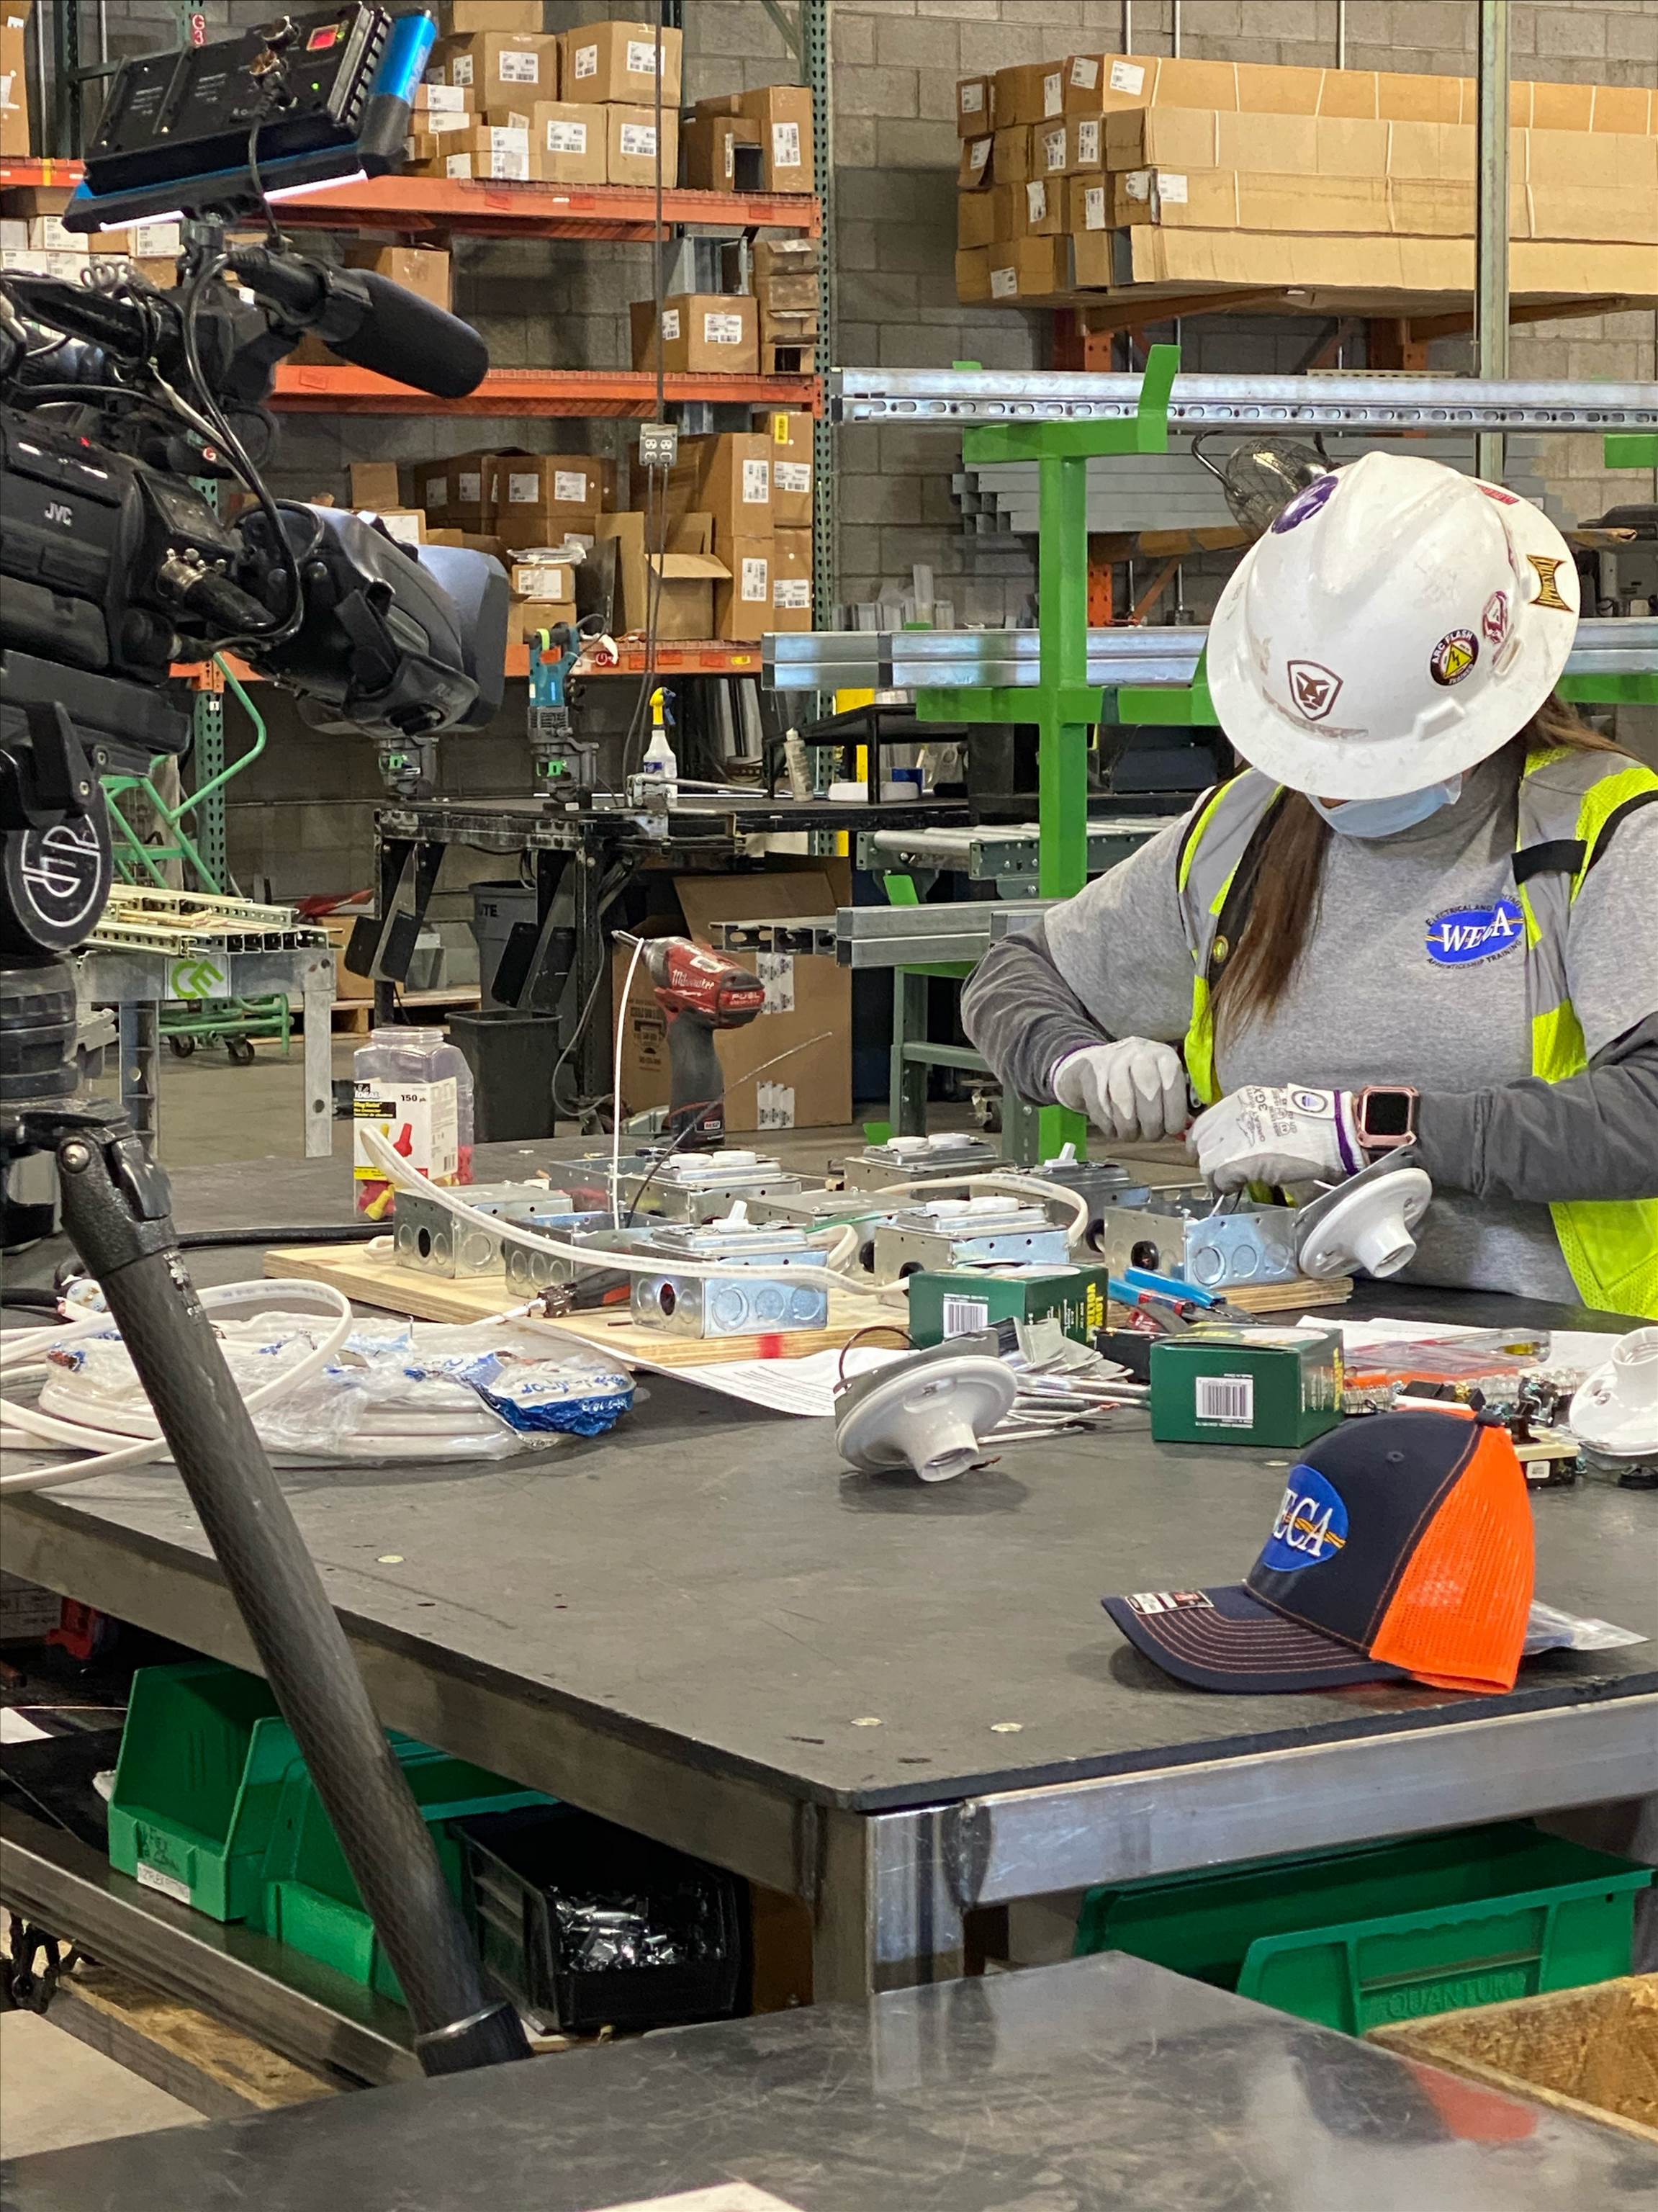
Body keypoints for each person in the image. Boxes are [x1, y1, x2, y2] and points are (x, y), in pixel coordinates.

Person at [962, 452, 1658, 1316]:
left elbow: (1645, 1114)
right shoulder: (1245, 830)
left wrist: (1368, 1130)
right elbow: (1013, 976)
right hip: (1286, 1320)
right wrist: (1073, 1060)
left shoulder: (1601, 836)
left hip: (1565, 1346)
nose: (1333, 791)